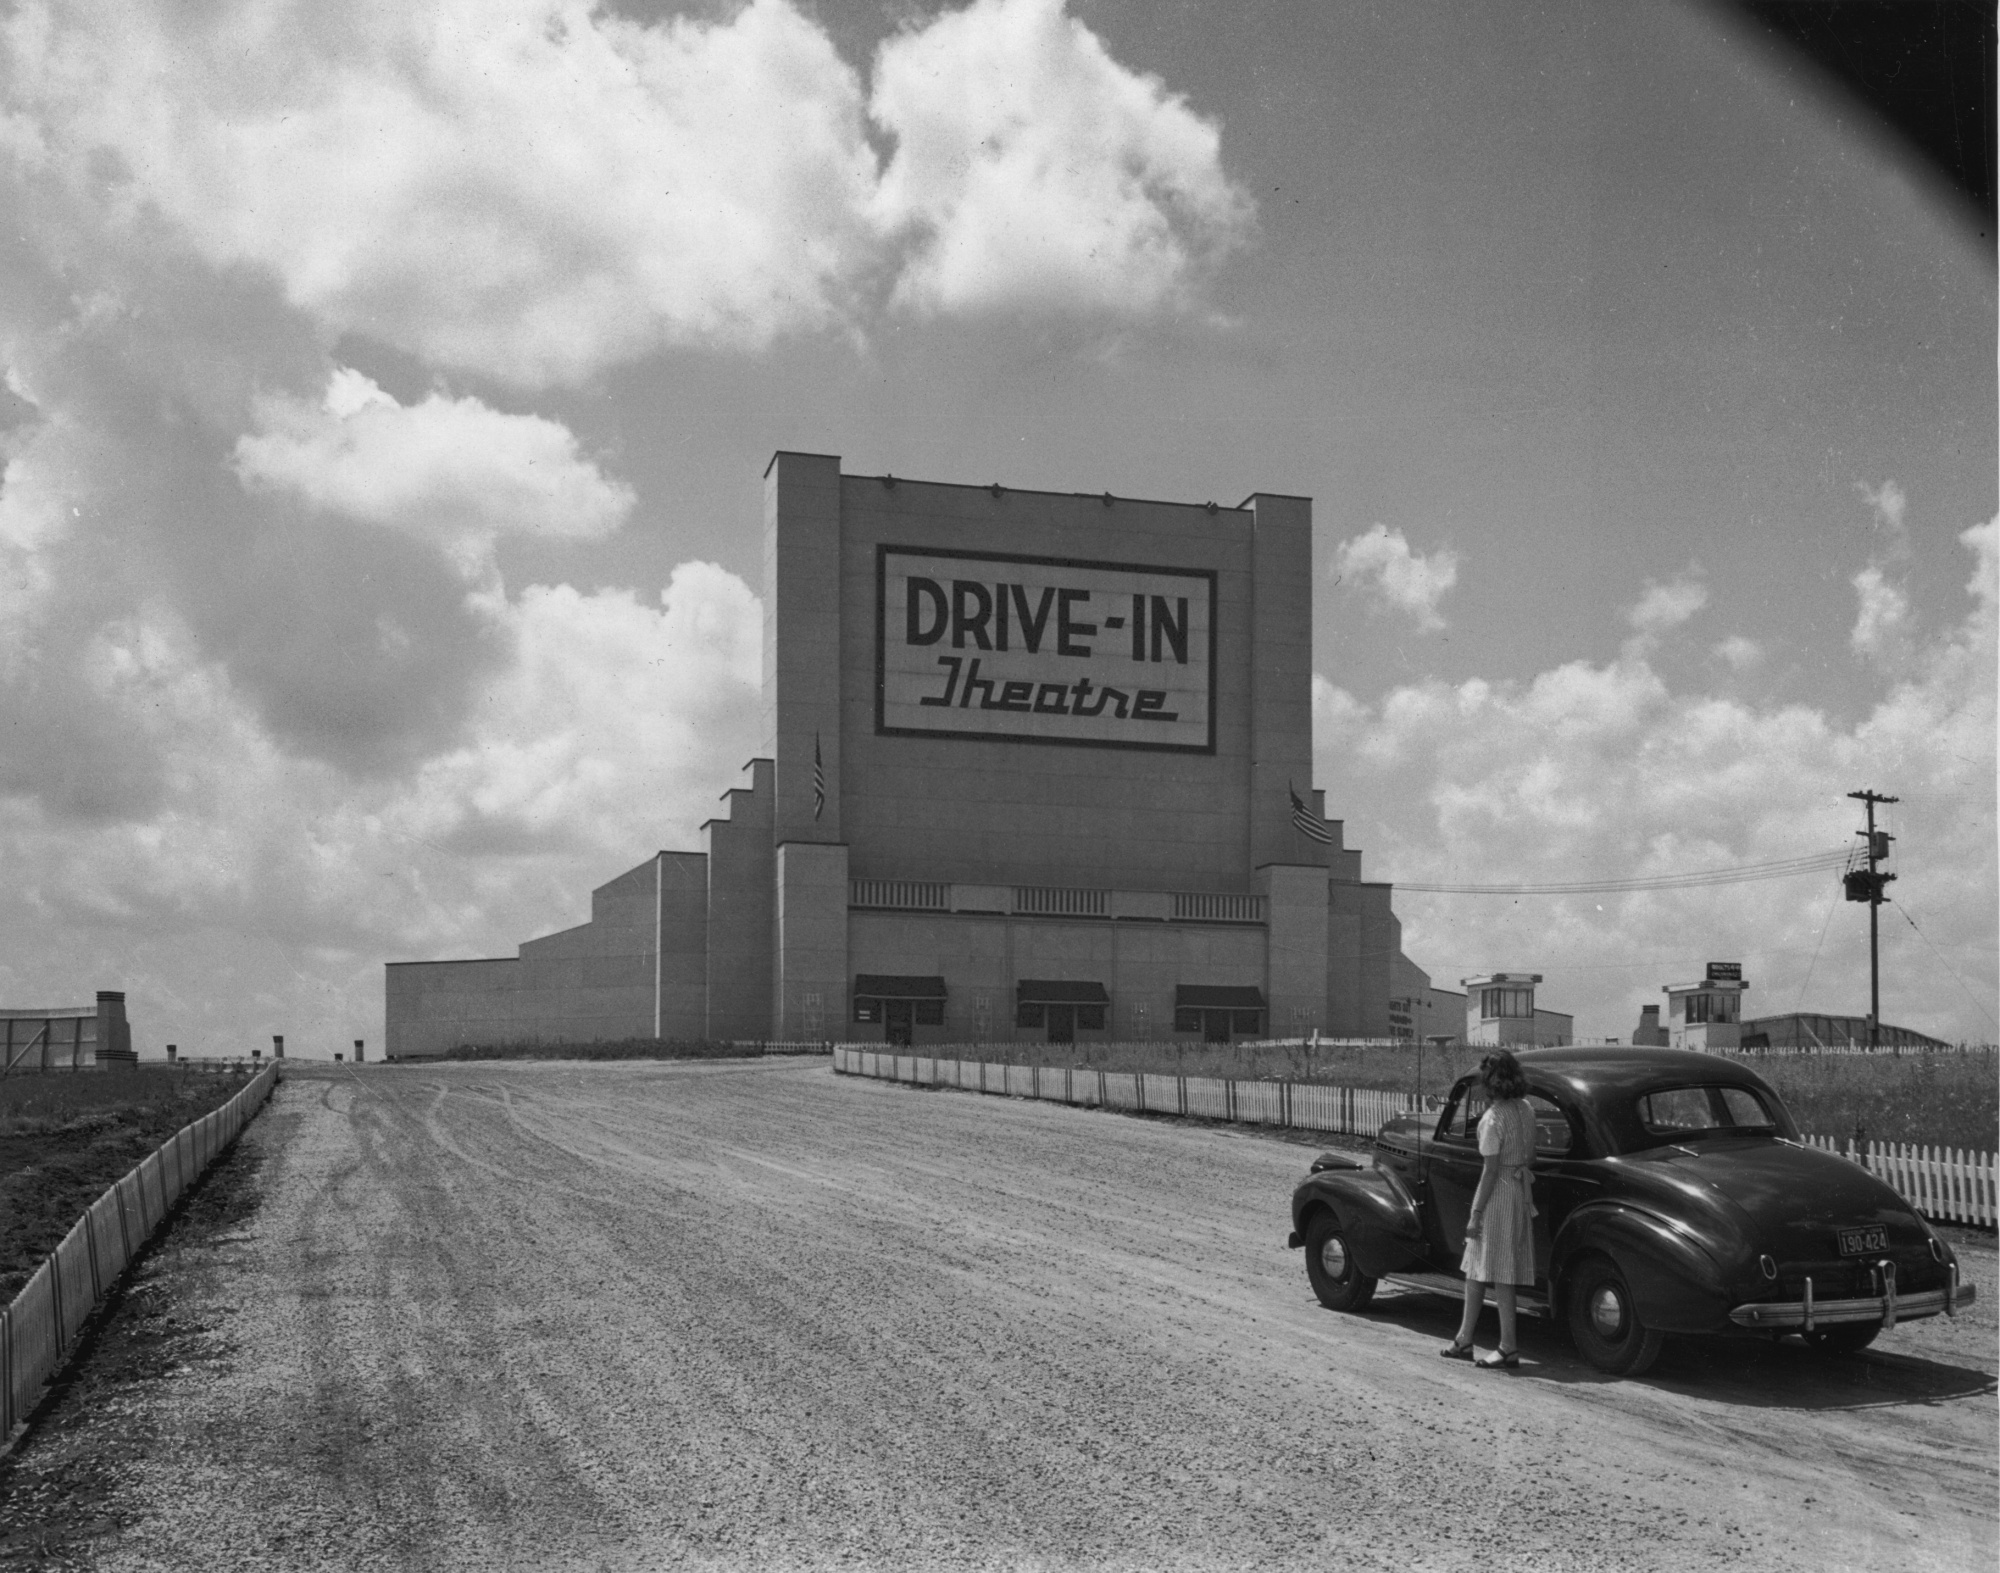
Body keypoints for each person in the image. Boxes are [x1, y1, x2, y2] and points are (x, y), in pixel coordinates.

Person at [1440, 1050, 1538, 1369]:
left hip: (1499, 1195)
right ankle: (1464, 1339)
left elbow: (1490, 1171)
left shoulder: (1492, 1118)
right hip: (1520, 1191)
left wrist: (1476, 1213)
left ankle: (1508, 1347)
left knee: (1498, 1272)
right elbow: (1530, 1155)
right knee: (1479, 1268)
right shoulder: (1526, 1109)